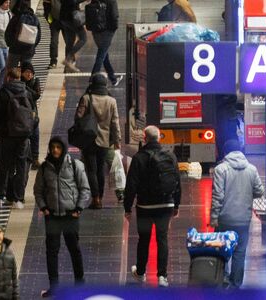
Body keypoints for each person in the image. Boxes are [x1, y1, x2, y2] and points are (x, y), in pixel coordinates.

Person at [123, 125, 181, 288]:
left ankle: (141, 273)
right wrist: (176, 204)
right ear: (159, 137)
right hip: (166, 204)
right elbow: (177, 181)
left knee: (144, 240)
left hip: (145, 206)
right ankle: (162, 277)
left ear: (144, 138)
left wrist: (127, 208)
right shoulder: (170, 155)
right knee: (162, 239)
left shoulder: (139, 157)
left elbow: (131, 185)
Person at [34, 137, 91, 297]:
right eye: (53, 147)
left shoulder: (75, 165)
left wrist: (78, 208)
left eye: (58, 147)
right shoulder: (45, 168)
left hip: (70, 215)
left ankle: (80, 284)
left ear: (63, 149)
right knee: (51, 251)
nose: (55, 150)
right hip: (52, 216)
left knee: (74, 249)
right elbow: (38, 190)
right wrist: (44, 208)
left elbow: (85, 189)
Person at [210, 139, 264, 289]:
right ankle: (236, 285)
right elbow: (260, 191)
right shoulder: (252, 169)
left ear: (226, 153)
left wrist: (214, 217)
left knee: (221, 251)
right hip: (243, 219)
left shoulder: (221, 169)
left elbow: (217, 196)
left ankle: (223, 280)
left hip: (224, 219)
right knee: (239, 253)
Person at [0, 68, 33, 210]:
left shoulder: (2, 93)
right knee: (21, 168)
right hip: (23, 138)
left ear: (8, 78)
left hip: (6, 136)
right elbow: (34, 116)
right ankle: (18, 199)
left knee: (3, 168)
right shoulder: (27, 92)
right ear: (20, 78)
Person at [75, 74, 120, 209]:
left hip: (89, 140)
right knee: (100, 170)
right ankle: (100, 196)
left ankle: (95, 198)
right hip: (105, 141)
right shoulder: (111, 101)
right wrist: (117, 140)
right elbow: (115, 122)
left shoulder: (87, 98)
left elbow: (78, 117)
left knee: (91, 170)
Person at [88, 0, 124, 86]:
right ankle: (92, 79)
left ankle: (113, 79)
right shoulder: (112, 1)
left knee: (104, 55)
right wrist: (114, 29)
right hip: (107, 31)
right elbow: (114, 16)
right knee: (101, 56)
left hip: (96, 30)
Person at [4, 1, 41, 75]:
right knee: (26, 71)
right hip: (28, 50)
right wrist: (32, 46)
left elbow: (8, 33)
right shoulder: (35, 18)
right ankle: (25, 85)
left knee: (11, 71)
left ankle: (10, 85)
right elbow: (38, 35)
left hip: (15, 49)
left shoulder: (16, 17)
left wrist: (10, 44)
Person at [21, 62, 42, 168]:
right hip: (22, 114)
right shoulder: (19, 83)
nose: (29, 75)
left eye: (31, 73)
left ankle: (35, 158)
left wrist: (24, 87)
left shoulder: (35, 81)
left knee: (35, 136)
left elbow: (36, 95)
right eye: (26, 72)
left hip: (33, 114)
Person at [60, 0, 88, 73]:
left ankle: (67, 67)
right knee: (83, 38)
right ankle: (68, 59)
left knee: (70, 42)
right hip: (72, 18)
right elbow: (72, 2)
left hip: (65, 17)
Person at [42, 0, 63, 69]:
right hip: (57, 21)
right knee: (54, 41)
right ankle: (54, 61)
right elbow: (46, 6)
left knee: (55, 41)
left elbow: (45, 6)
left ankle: (54, 62)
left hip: (61, 20)